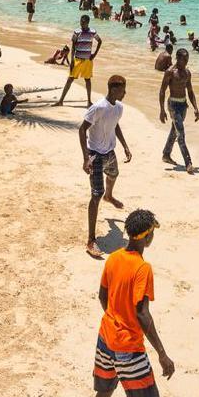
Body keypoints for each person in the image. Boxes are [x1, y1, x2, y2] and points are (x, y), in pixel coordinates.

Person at [88, 209, 179, 397]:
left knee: (104, 389)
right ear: (147, 236)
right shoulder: (143, 268)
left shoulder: (114, 258)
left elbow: (103, 296)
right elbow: (142, 313)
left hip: (106, 338)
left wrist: (114, 318)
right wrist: (163, 354)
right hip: (128, 347)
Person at [80, 75, 134, 260]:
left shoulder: (119, 107)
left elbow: (115, 126)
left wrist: (125, 145)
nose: (125, 92)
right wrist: (86, 157)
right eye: (122, 90)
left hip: (110, 152)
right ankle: (90, 240)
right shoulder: (98, 108)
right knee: (96, 195)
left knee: (114, 174)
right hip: (95, 154)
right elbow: (82, 129)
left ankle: (109, 196)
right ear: (112, 89)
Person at [156, 50, 199, 171]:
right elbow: (162, 91)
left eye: (187, 59)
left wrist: (196, 108)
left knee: (175, 130)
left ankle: (166, 154)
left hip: (183, 105)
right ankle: (188, 163)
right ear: (177, 58)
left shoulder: (187, 73)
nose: (186, 62)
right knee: (181, 133)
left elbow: (190, 91)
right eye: (184, 60)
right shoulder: (170, 72)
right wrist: (162, 110)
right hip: (173, 105)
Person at [58, 15, 103, 106]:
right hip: (77, 59)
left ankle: (89, 101)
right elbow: (73, 46)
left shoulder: (92, 32)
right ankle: (61, 101)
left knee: (87, 80)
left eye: (83, 22)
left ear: (87, 23)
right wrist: (72, 60)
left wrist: (94, 54)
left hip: (88, 60)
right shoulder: (77, 32)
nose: (81, 24)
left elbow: (100, 41)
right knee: (70, 79)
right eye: (81, 22)